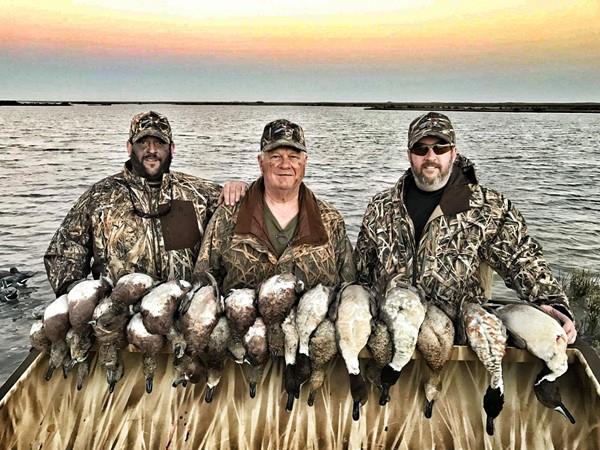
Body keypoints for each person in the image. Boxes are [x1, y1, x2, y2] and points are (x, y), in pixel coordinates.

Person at [354, 112, 577, 343]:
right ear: (409, 155)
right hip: (391, 335)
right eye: (421, 149)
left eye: (440, 148)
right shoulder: (381, 207)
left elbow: (522, 258)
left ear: (453, 153)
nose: (430, 156)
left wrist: (552, 303)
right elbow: (362, 273)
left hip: (456, 341)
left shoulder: (487, 207)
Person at [44, 110, 246, 296]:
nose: (151, 150)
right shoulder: (99, 197)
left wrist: (241, 188)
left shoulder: (199, 193)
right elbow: (63, 253)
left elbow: (251, 219)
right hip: (120, 315)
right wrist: (79, 295)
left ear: (172, 148)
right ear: (129, 147)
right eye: (143, 143)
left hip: (186, 311)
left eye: (159, 143)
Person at [193, 119, 355, 292]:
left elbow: (349, 288)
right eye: (276, 156)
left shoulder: (330, 219)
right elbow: (203, 285)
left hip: (311, 317)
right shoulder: (228, 214)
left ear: (305, 162)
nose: (285, 164)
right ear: (261, 162)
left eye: (293, 157)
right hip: (240, 317)